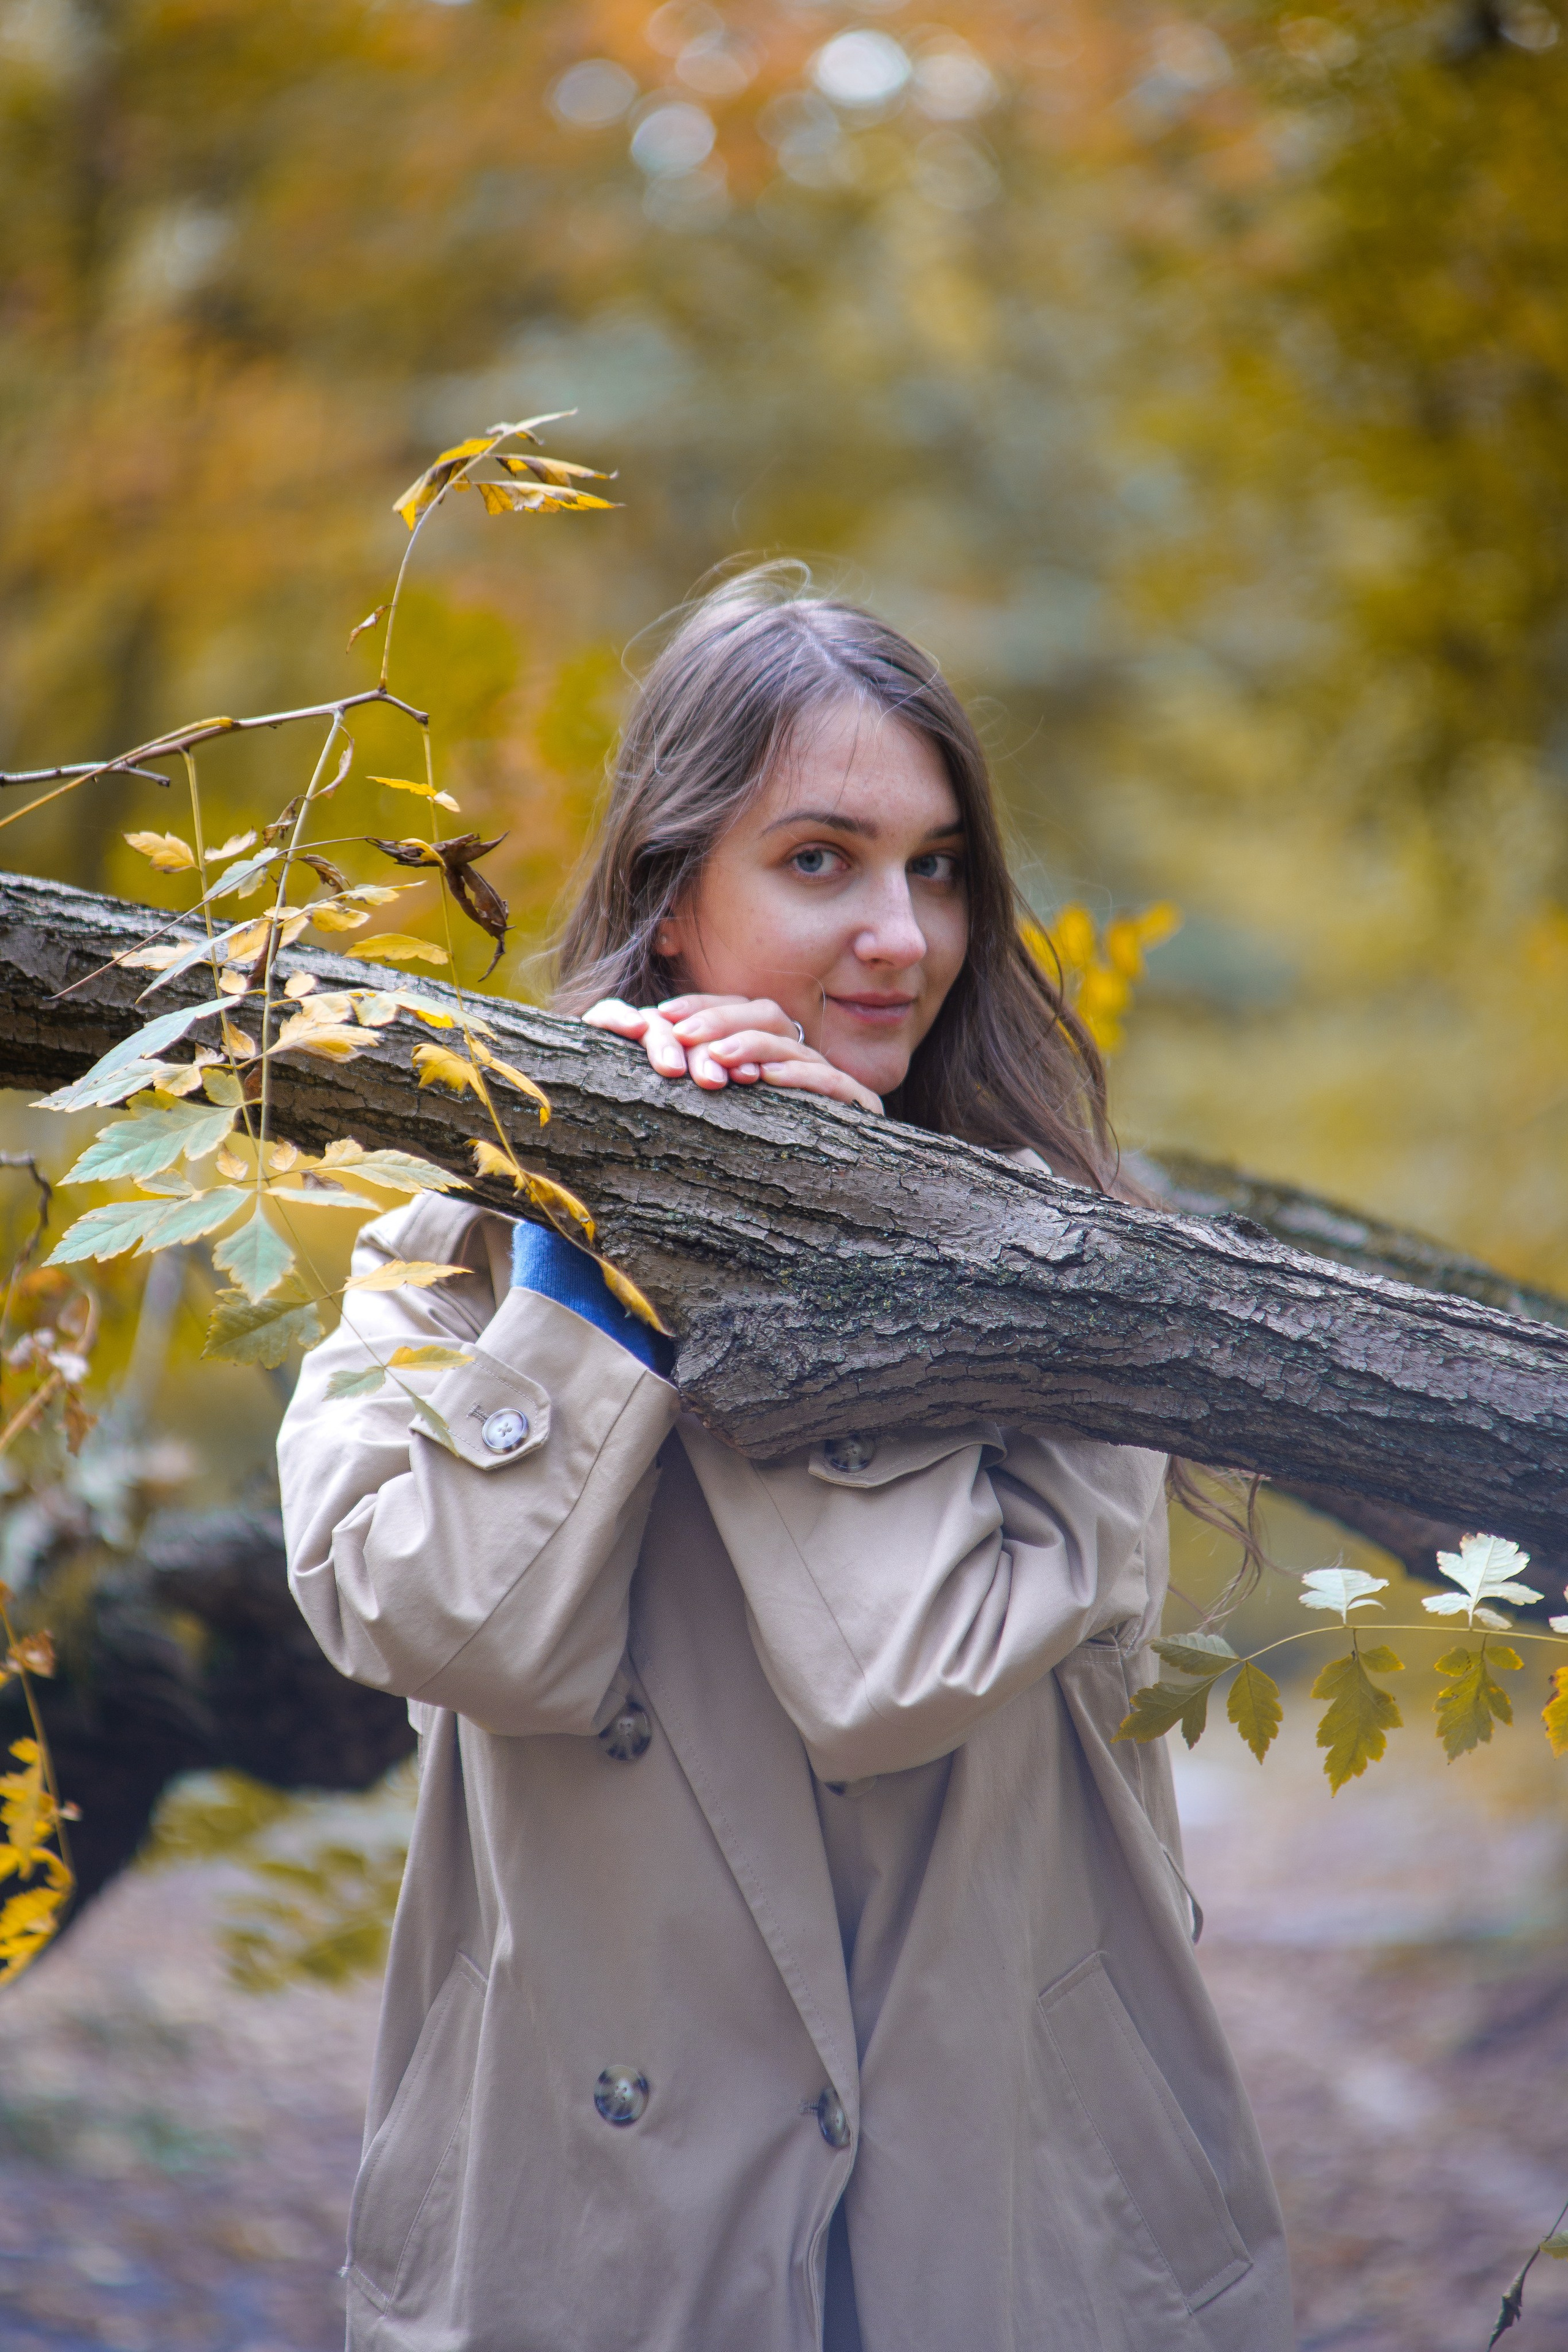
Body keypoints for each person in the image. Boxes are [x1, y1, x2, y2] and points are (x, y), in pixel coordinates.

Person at [277, 566, 1293, 2352]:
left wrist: (825, 1260)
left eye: (939, 866)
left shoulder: (1078, 1280)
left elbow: (900, 1677)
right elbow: (441, 1625)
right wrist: (600, 1265)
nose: (901, 935)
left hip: (1017, 2223)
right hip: (589, 2234)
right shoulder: (449, 1251)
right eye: (820, 861)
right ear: (673, 901)